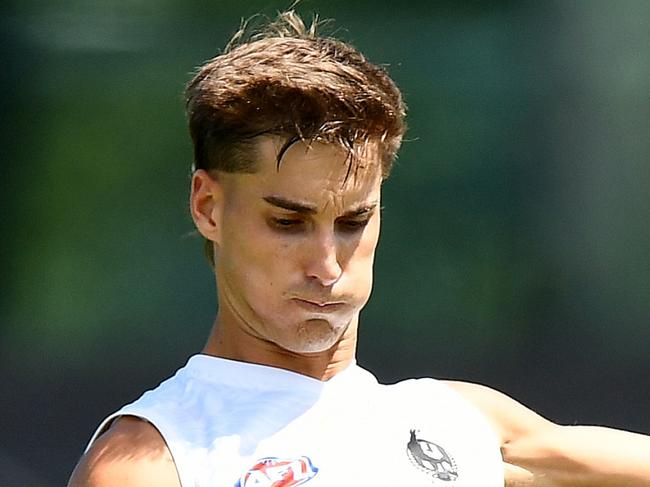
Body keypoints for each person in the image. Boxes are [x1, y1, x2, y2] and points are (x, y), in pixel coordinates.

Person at [69, 10, 650, 487]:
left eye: (352, 222)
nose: (327, 266)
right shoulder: (154, 458)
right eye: (287, 223)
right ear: (207, 207)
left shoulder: (461, 419)